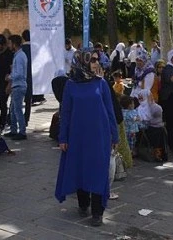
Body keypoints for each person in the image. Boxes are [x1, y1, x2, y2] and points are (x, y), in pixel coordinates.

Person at [55, 48, 119, 227]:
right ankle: (83, 203)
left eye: (96, 59)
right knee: (80, 168)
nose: (96, 63)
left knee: (98, 171)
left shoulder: (101, 83)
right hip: (77, 136)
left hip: (99, 135)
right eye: (92, 60)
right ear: (82, 61)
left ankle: (98, 212)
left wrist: (115, 135)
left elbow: (109, 110)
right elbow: (65, 112)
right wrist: (63, 138)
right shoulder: (70, 85)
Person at [5, 34, 28, 140]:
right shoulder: (19, 55)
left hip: (19, 85)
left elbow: (19, 73)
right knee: (13, 109)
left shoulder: (19, 56)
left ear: (14, 44)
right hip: (17, 85)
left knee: (17, 109)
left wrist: (9, 77)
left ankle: (22, 131)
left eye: (10, 43)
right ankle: (14, 130)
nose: (9, 46)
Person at [0, 34, 12, 130]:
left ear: (2, 45)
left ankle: (2, 123)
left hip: (4, 82)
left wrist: (9, 83)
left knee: (3, 103)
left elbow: (11, 69)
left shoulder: (9, 54)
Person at [130, 50, 155, 122]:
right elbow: (135, 84)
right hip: (135, 95)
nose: (138, 62)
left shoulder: (149, 72)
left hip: (143, 99)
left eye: (140, 60)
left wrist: (140, 100)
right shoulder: (137, 69)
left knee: (142, 118)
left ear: (145, 60)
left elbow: (146, 89)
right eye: (137, 60)